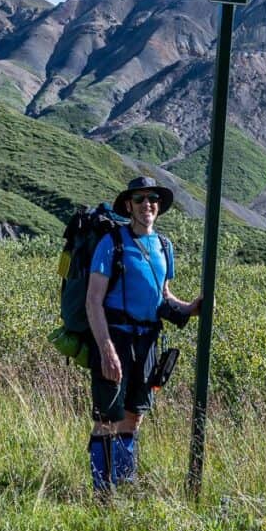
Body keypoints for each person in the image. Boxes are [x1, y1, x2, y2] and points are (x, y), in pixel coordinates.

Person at [85, 176, 202, 491]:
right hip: (116, 339)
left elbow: (163, 295)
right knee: (107, 419)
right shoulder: (112, 244)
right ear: (128, 206)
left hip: (149, 341)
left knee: (134, 416)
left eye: (153, 199)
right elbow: (93, 301)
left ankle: (124, 484)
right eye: (140, 199)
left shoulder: (164, 246)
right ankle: (102, 492)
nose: (147, 204)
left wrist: (192, 307)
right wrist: (107, 350)